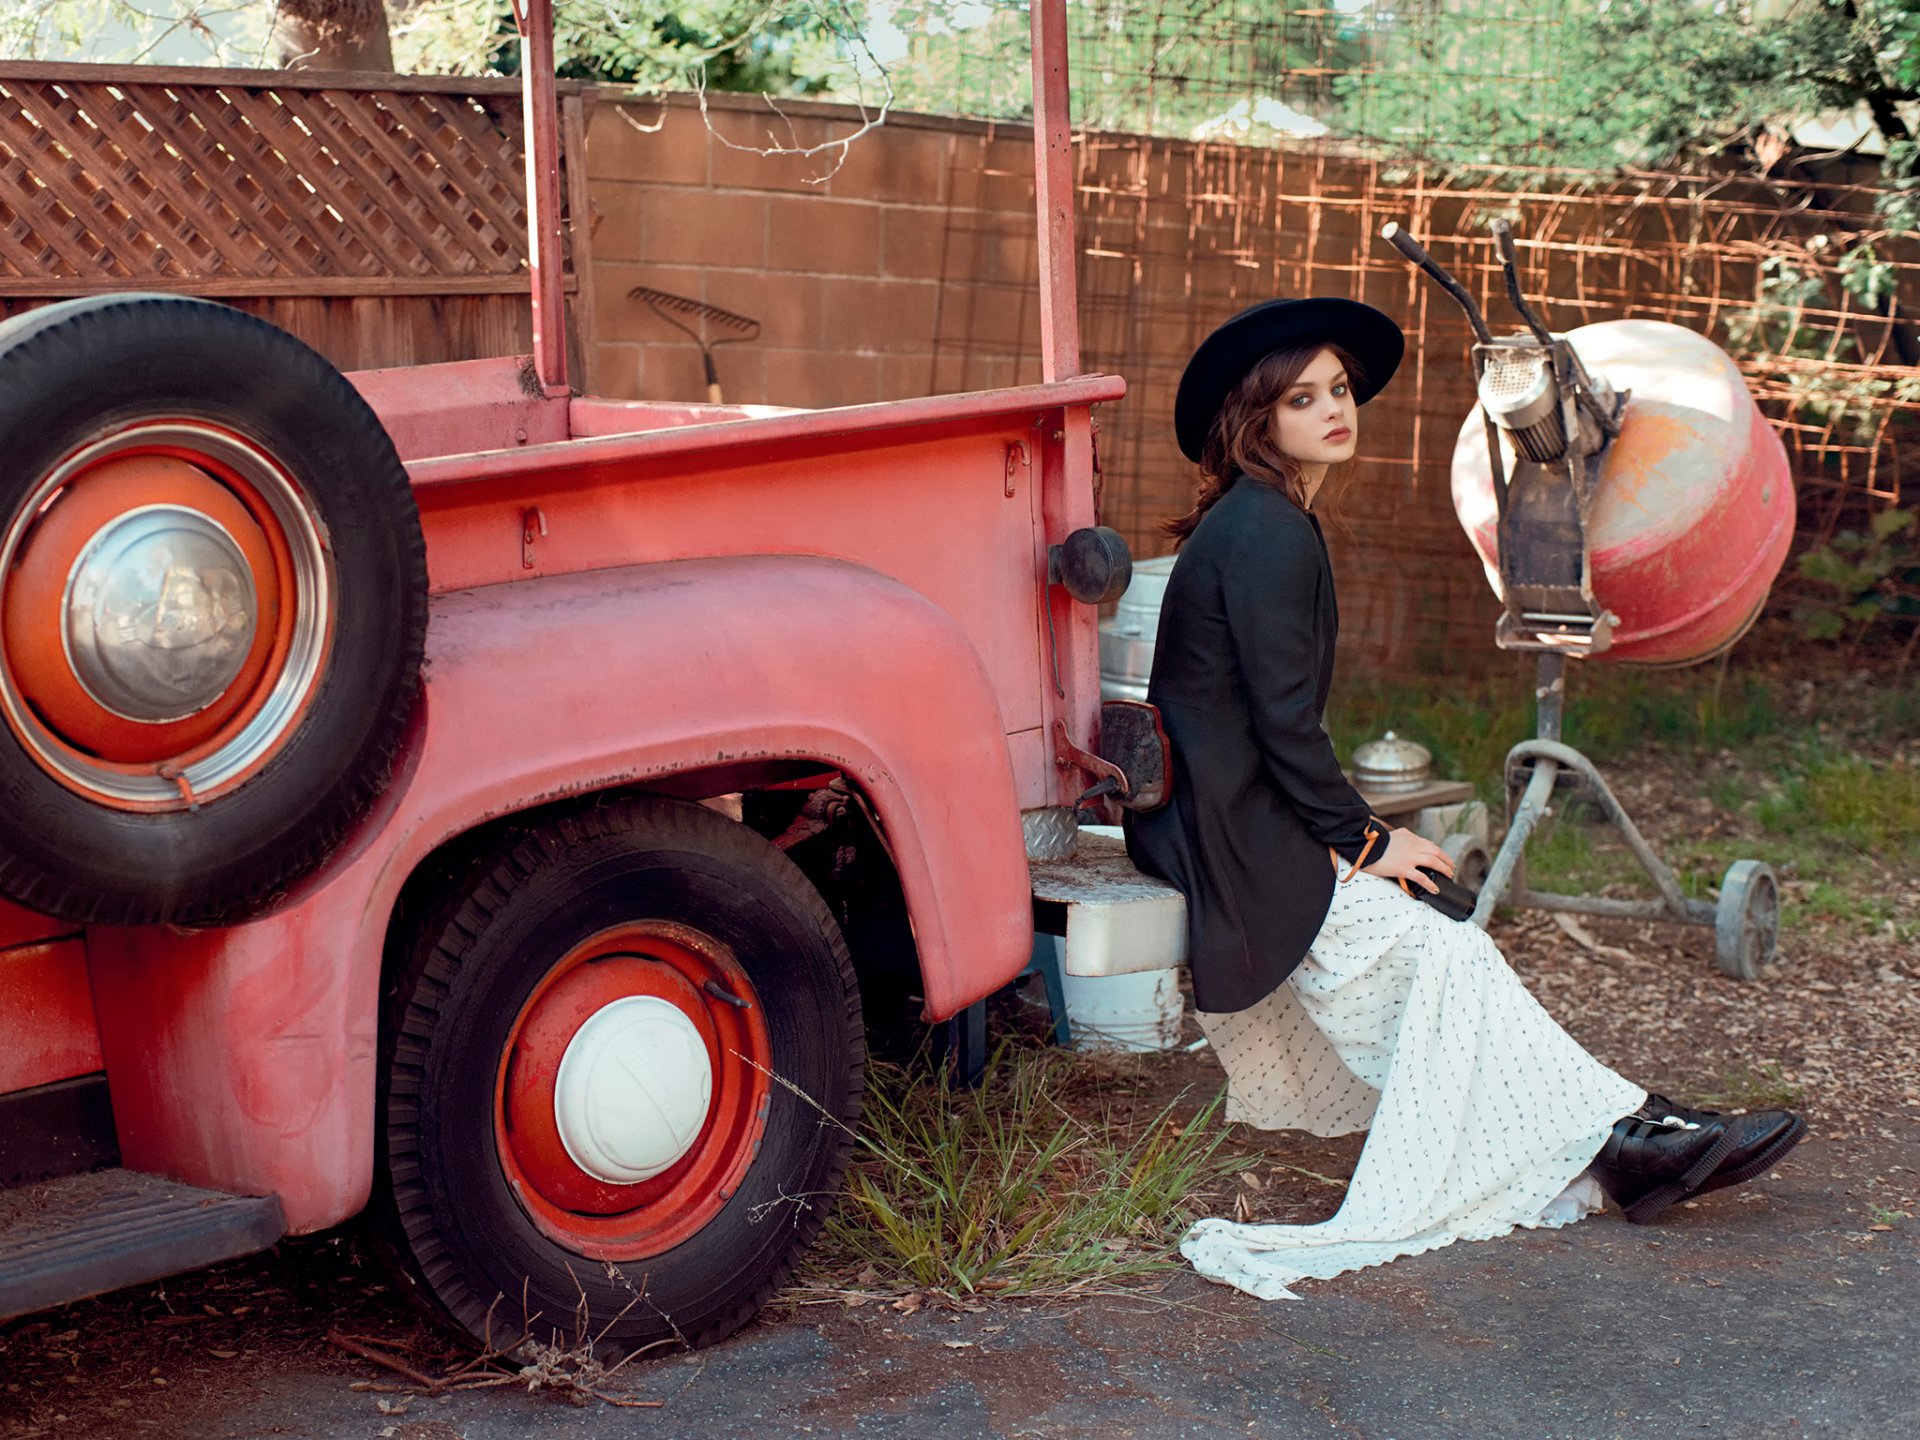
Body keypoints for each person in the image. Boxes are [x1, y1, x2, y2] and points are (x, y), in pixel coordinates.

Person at [1123, 297, 1805, 1300]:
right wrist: (1363, 841)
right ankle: (1625, 1140)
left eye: (1340, 391)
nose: (1334, 410)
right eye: (1303, 398)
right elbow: (1281, 724)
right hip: (1226, 829)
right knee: (1443, 945)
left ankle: (1627, 1130)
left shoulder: (1266, 520)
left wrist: (1352, 836)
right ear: (1257, 420)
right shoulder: (1267, 532)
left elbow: (1268, 725)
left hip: (1233, 808)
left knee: (1446, 945)